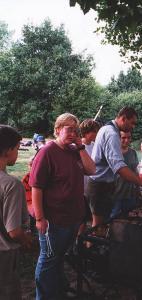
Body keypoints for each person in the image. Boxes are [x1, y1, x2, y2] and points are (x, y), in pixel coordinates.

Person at [29, 112, 95, 300]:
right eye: (69, 129)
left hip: (73, 218)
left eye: (76, 130)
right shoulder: (47, 152)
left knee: (58, 258)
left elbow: (91, 170)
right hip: (53, 221)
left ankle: (56, 292)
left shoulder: (75, 151)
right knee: (48, 260)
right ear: (57, 130)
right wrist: (40, 219)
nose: (73, 133)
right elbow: (36, 187)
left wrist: (81, 148)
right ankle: (42, 296)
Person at [87, 106, 142, 227]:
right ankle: (90, 245)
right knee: (98, 225)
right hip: (99, 186)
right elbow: (119, 167)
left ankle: (99, 244)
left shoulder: (106, 128)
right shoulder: (112, 134)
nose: (133, 127)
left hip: (103, 185)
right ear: (123, 118)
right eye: (132, 123)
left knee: (102, 224)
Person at [0, 125, 31, 300]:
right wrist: (29, 241)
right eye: (17, 148)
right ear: (7, 150)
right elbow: (14, 231)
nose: (18, 153)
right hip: (4, 257)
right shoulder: (11, 184)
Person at [111, 131, 140, 218]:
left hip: (129, 192)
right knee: (113, 216)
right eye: (123, 138)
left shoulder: (133, 153)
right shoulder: (113, 152)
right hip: (115, 193)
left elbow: (135, 171)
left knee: (125, 216)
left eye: (129, 138)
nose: (126, 140)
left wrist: (138, 187)